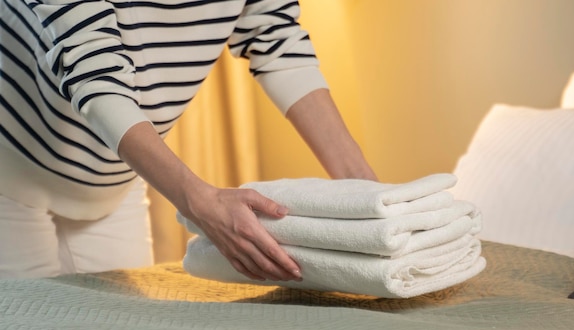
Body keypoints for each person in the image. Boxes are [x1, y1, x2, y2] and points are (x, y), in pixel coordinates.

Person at [0, 0, 377, 281]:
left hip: (114, 176)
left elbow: (277, 42)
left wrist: (369, 197)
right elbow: (93, 70)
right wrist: (201, 201)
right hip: (9, 167)